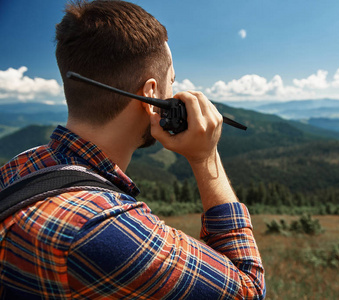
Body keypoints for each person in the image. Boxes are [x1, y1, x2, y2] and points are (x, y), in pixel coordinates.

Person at [0, 1, 265, 299]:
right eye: (172, 82)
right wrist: (206, 157)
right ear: (151, 94)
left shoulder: (19, 167)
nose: (174, 92)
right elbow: (248, 289)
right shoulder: (102, 228)